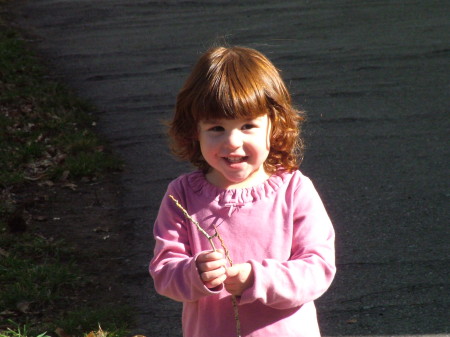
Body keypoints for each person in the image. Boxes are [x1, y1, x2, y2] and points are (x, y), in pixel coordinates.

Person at [149, 45, 336, 337]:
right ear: (194, 131)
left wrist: (258, 278)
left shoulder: (294, 192)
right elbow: (164, 271)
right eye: (216, 129)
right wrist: (195, 272)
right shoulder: (181, 197)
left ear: (274, 126)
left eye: (248, 126)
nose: (232, 142)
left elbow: (317, 269)